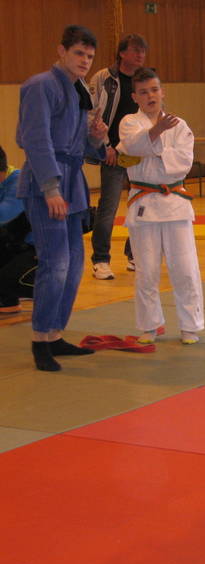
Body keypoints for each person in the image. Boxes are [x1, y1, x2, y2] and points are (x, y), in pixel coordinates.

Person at [17, 25, 107, 371]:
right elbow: (35, 138)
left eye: (89, 56)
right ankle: (40, 339)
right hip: (46, 185)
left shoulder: (78, 90)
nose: (84, 61)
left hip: (73, 182)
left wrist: (96, 138)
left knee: (74, 265)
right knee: (55, 264)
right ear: (61, 51)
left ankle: (55, 334)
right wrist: (51, 188)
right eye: (78, 53)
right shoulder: (40, 86)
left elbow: (81, 148)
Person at [118, 67, 204, 345]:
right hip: (143, 204)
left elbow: (183, 163)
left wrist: (149, 150)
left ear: (162, 92)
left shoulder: (179, 125)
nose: (150, 96)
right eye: (143, 92)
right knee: (146, 271)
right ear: (135, 97)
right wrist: (153, 138)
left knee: (185, 269)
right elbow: (131, 148)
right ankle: (150, 325)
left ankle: (190, 326)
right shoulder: (129, 122)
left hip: (176, 204)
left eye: (154, 90)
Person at [89, 33, 148, 279]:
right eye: (136, 50)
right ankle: (101, 260)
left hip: (138, 154)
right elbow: (93, 114)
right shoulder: (104, 78)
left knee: (142, 205)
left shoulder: (144, 80)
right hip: (112, 153)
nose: (140, 55)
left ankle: (134, 254)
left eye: (143, 51)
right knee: (109, 207)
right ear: (122, 53)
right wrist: (106, 146)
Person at [0, 145, 35, 314]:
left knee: (5, 281)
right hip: (20, 246)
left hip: (42, 253)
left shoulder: (19, 182)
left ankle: (53, 290)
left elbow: (4, 214)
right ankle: (7, 300)